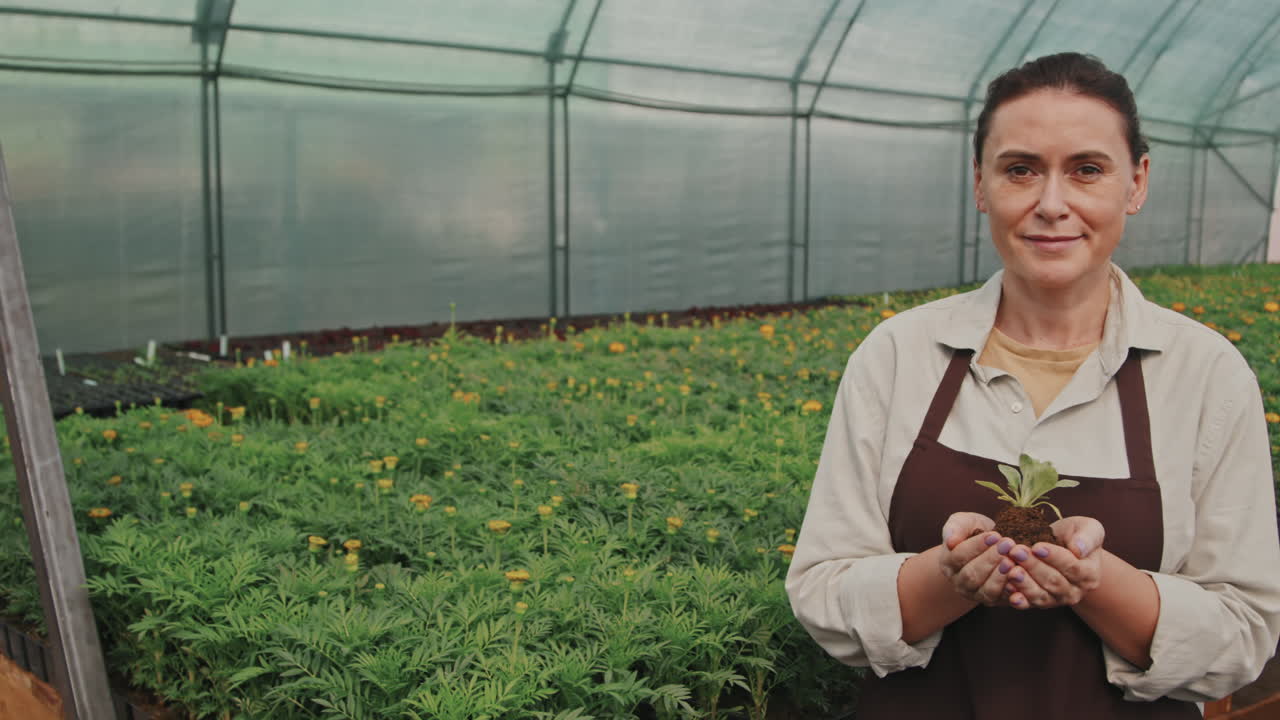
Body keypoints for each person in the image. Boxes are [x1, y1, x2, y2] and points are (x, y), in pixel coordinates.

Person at [784, 52, 1280, 719]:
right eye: (1020, 170)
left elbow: (1245, 629)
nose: (1052, 204)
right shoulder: (898, 355)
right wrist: (948, 576)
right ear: (980, 184)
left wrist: (1097, 582)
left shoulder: (1205, 373)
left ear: (1135, 183)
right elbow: (822, 587)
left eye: (1087, 170)